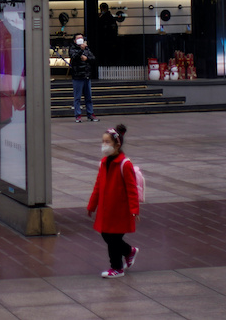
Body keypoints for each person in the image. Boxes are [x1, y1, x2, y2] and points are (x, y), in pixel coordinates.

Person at [87, 124, 140, 279]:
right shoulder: (104, 163)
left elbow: (132, 189)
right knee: (106, 235)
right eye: (103, 142)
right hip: (107, 210)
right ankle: (129, 252)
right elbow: (98, 185)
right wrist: (92, 205)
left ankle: (116, 268)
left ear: (117, 145)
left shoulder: (125, 164)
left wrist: (134, 209)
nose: (104, 145)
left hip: (120, 211)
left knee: (113, 239)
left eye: (107, 142)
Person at [69, 34, 98, 122]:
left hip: (86, 75)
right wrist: (80, 51)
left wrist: (87, 58)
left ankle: (90, 114)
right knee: (77, 97)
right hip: (77, 76)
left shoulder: (87, 49)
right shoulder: (72, 48)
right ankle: (78, 115)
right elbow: (73, 56)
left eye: (81, 38)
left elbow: (93, 58)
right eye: (78, 38)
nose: (80, 39)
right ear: (74, 40)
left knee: (88, 97)